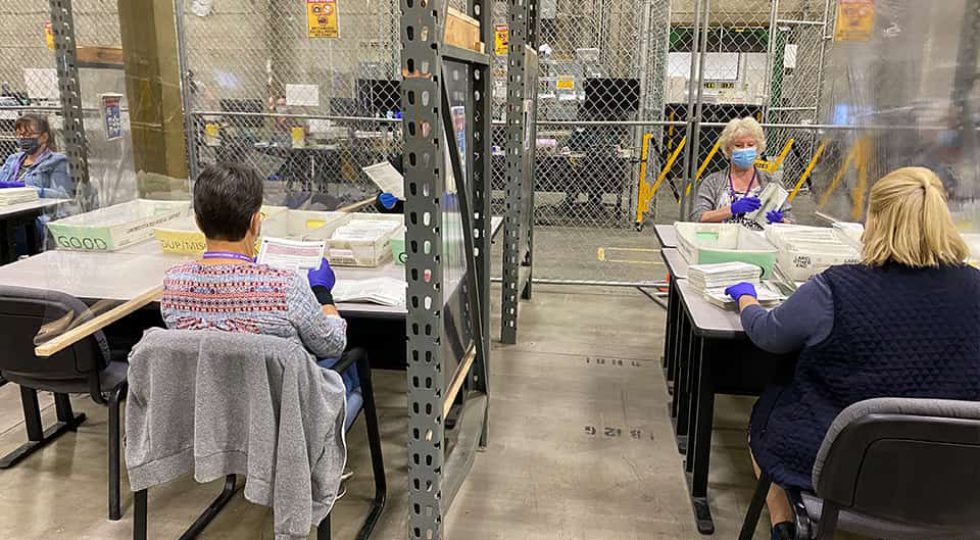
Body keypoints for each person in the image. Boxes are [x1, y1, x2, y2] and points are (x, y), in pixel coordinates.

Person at [723, 167, 980, 540]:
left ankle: (785, 525)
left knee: (761, 424)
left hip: (838, 465)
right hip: (953, 474)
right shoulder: (974, 289)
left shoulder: (836, 289)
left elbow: (769, 335)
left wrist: (746, 297)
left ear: (874, 221)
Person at [159, 162, 357, 393]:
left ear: (198, 222)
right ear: (255, 222)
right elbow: (332, 344)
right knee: (350, 375)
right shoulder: (284, 287)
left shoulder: (174, 284)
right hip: (284, 414)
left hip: (208, 413)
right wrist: (323, 295)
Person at [691, 117, 791, 227]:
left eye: (750, 145)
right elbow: (698, 217)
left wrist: (780, 221)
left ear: (758, 148)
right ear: (728, 149)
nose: (745, 150)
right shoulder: (713, 182)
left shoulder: (772, 182)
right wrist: (732, 209)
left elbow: (791, 223)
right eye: (738, 145)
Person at [0, 114, 74, 198]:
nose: (23, 138)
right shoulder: (13, 159)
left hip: (35, 209)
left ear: (44, 137)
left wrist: (25, 190)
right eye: (20, 134)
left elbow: (63, 195)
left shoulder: (57, 161)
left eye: (29, 135)